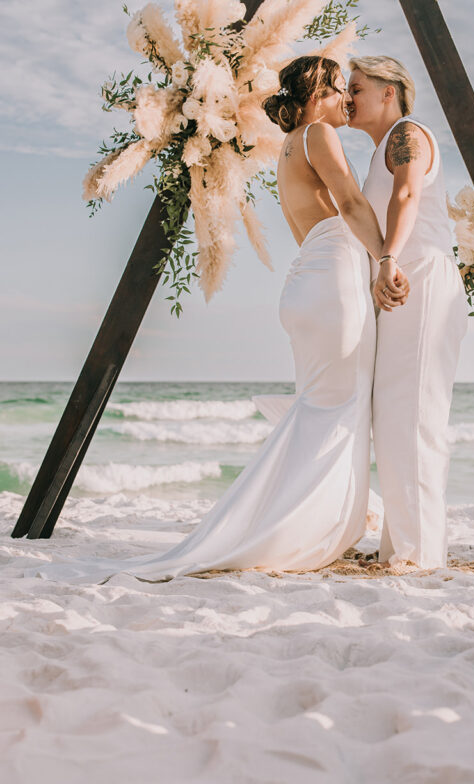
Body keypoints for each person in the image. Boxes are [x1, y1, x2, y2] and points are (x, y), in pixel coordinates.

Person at [22, 55, 407, 584]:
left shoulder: (291, 146)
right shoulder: (319, 133)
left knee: (321, 407)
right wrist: (390, 256)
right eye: (342, 88)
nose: (347, 100)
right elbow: (350, 203)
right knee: (337, 409)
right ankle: (297, 530)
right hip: (333, 282)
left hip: (306, 284)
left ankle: (305, 523)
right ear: (319, 91)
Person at [346, 55, 468, 570]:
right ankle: (404, 547)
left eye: (356, 87)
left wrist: (389, 257)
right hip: (397, 285)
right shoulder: (380, 150)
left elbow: (409, 193)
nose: (347, 97)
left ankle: (418, 555)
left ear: (389, 91)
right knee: (395, 417)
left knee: (414, 416)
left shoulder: (408, 133)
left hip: (419, 279)